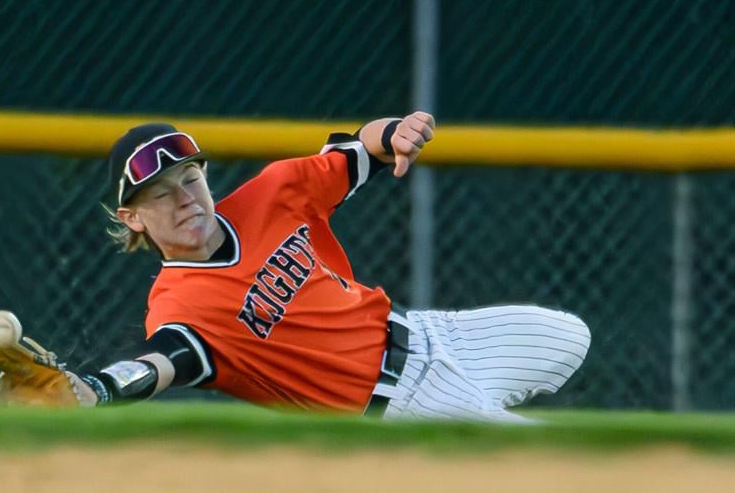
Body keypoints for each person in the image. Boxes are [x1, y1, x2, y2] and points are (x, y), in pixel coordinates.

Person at [73, 112, 591, 421]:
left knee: (570, 336)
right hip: (398, 408)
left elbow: (358, 149)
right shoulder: (181, 306)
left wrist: (392, 134)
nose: (184, 199)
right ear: (133, 218)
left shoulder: (271, 194)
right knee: (567, 471)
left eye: (189, 179)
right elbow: (159, 361)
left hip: (432, 335)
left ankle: (481, 420)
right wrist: (98, 389)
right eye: (160, 195)